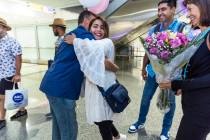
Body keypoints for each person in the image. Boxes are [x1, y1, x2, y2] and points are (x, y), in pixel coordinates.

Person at [128, 0, 187, 139]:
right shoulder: (153, 30)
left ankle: (165, 131)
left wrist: (183, 79)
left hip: (171, 76)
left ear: (173, 9)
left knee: (169, 104)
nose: (160, 12)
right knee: (145, 99)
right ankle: (140, 122)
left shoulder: (182, 28)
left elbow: (186, 56)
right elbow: (148, 52)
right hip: (153, 73)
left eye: (164, 9)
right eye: (159, 9)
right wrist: (143, 68)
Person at [64, 17, 126, 140]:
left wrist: (75, 41)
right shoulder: (91, 43)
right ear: (90, 29)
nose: (98, 30)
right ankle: (118, 136)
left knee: (103, 123)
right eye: (95, 26)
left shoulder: (106, 42)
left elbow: (93, 49)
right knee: (101, 120)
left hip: (104, 88)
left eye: (102, 27)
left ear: (106, 31)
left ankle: (115, 137)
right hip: (93, 88)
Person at [39, 10, 97, 140]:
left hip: (51, 85)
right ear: (86, 21)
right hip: (63, 89)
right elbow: (99, 55)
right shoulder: (86, 36)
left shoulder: (71, 34)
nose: (97, 28)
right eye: (94, 23)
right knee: (69, 129)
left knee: (59, 126)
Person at [159, 0, 210, 139]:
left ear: (202, 7)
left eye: (190, 9)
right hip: (194, 105)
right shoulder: (202, 34)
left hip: (202, 109)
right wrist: (184, 87)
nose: (188, 15)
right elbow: (200, 70)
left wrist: (176, 84)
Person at [0, 17, 26, 129]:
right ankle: (22, 110)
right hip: (1, 73)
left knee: (2, 98)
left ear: (4, 28)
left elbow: (18, 58)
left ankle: (1, 119)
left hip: (8, 74)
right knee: (14, 94)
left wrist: (17, 73)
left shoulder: (12, 41)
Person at [45, 18, 66, 119]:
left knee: (56, 92)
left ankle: (57, 112)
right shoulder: (59, 39)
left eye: (53, 28)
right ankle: (53, 111)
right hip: (56, 68)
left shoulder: (65, 39)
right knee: (51, 91)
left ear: (58, 28)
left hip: (60, 71)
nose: (52, 30)